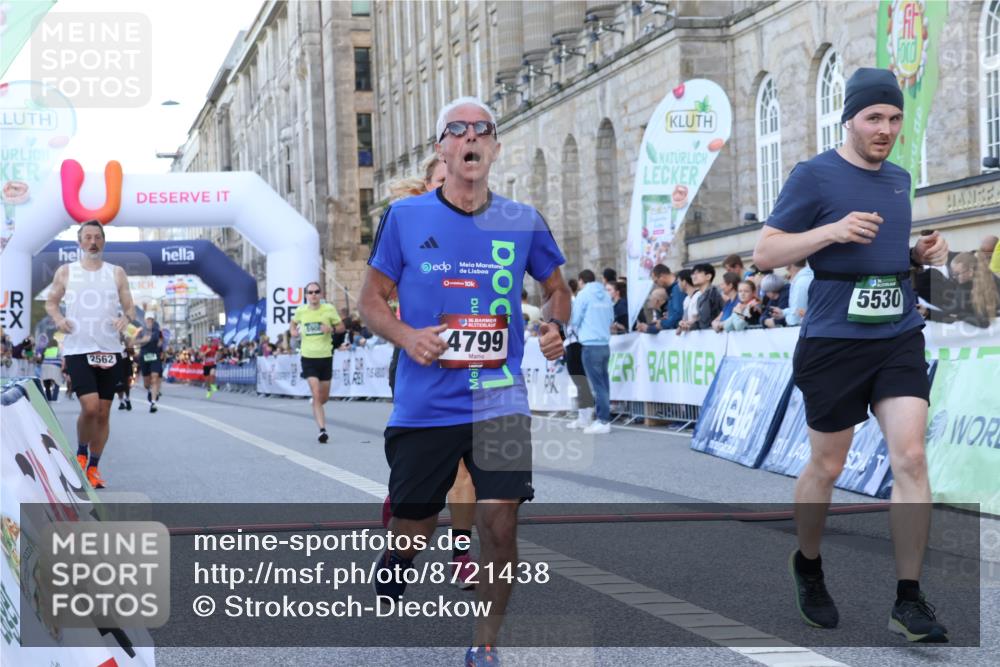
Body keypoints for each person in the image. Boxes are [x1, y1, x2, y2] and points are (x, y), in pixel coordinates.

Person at [359, 96, 570, 666]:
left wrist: (554, 326)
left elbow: (557, 288)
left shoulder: (522, 219)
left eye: (483, 130)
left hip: (499, 399)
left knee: (499, 524)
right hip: (425, 405)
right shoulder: (405, 218)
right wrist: (408, 337)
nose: (471, 138)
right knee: (417, 523)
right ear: (441, 149)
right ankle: (399, 554)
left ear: (495, 148)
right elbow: (370, 301)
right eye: (458, 130)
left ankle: (484, 646)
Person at [753, 67, 951, 642]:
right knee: (828, 467)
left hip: (897, 333)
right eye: (874, 118)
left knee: (910, 458)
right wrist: (830, 231)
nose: (886, 128)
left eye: (894, 118)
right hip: (834, 342)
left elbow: (885, 254)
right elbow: (765, 253)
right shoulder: (814, 175)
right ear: (850, 120)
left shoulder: (899, 179)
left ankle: (908, 600)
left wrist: (917, 253)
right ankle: (808, 566)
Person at [45, 220, 137, 489]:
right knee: (90, 407)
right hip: (78, 349)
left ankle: (93, 468)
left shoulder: (117, 273)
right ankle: (81, 453)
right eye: (88, 237)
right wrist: (59, 319)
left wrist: (125, 318)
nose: (93, 242)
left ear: (104, 241)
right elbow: (51, 302)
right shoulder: (66, 272)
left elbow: (130, 309)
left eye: (97, 237)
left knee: (104, 412)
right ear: (80, 242)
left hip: (111, 351)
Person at [290, 281, 345, 443]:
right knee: (316, 393)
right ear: (306, 295)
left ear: (320, 294)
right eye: (310, 292)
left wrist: (332, 329)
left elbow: (342, 327)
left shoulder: (328, 310)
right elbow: (293, 323)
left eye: (316, 292)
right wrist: (293, 331)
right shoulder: (301, 311)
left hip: (325, 356)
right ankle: (322, 430)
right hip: (308, 357)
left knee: (323, 397)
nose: (313, 295)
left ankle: (316, 403)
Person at [570, 270, 614, 434]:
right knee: (604, 383)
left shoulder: (583, 295)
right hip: (604, 343)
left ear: (581, 281)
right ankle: (604, 418)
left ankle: (603, 420)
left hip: (590, 343)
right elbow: (611, 319)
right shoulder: (606, 294)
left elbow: (575, 319)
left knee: (597, 385)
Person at [945, 252, 1000, 328]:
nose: (954, 277)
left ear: (970, 271)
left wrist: (960, 315)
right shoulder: (993, 278)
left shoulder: (963, 288)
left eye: (957, 274)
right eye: (953, 274)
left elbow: (984, 323)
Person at [677, 263, 722, 333]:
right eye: (693, 274)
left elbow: (726, 310)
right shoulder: (700, 298)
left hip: (718, 335)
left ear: (708, 276)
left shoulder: (715, 292)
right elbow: (703, 322)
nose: (693, 276)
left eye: (698, 273)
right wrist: (688, 324)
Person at [648, 264, 685, 331]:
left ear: (662, 276)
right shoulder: (672, 290)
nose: (656, 284)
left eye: (656, 281)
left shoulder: (676, 289)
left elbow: (678, 314)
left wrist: (662, 323)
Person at [784, 259, 814, 326]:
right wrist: (783, 313)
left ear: (788, 264)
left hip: (803, 329)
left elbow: (795, 319)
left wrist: (782, 319)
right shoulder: (805, 278)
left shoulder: (801, 283)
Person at [116, 343, 135, 410]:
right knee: (118, 385)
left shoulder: (125, 340)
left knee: (126, 384)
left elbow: (132, 352)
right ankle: (121, 402)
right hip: (116, 366)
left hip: (126, 366)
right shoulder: (111, 341)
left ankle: (127, 399)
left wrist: (127, 348)